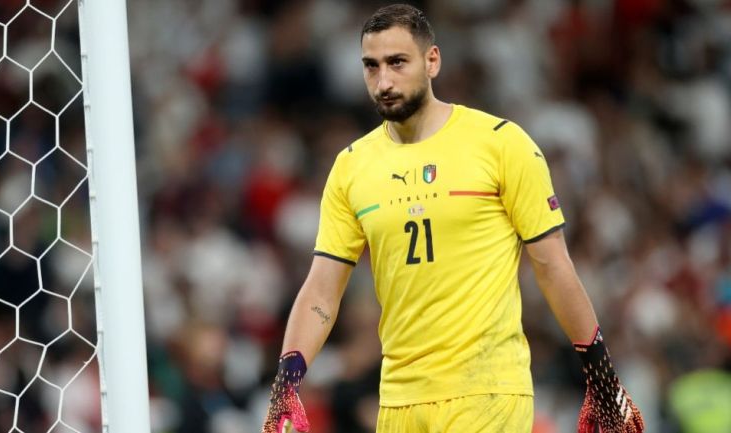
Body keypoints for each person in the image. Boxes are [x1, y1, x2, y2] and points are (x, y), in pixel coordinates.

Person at [262, 4, 645, 433]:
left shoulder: (501, 144)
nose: (383, 81)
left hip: (487, 391)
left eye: (397, 63)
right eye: (371, 67)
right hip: (400, 400)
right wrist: (286, 384)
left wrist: (601, 375)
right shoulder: (351, 167)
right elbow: (322, 289)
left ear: (432, 61)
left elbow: (553, 266)